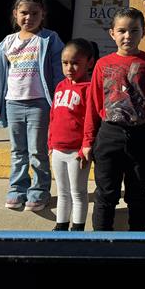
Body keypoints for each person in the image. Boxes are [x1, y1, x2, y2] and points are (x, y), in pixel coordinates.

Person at [81, 7, 145, 232]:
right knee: (106, 194)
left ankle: (137, 239)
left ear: (143, 33)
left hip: (142, 135)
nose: (127, 36)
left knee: (138, 193)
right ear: (112, 34)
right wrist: (88, 140)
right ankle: (100, 242)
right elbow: (93, 104)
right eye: (122, 31)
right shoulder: (102, 64)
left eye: (133, 30)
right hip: (109, 135)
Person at [0, 0, 64, 212]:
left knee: (37, 150)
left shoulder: (49, 39)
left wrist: (59, 99)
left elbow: (59, 71)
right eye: (24, 13)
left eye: (34, 13)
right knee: (18, 151)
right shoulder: (6, 43)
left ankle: (39, 191)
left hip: (39, 104)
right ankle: (17, 190)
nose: (29, 18)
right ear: (15, 14)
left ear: (43, 14)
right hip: (13, 103)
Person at [49, 38, 96, 231]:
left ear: (89, 62)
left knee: (78, 192)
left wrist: (86, 145)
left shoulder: (89, 88)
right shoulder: (60, 86)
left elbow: (90, 121)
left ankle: (78, 228)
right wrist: (50, 144)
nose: (69, 67)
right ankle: (60, 225)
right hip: (58, 149)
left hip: (77, 152)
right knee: (62, 191)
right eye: (65, 63)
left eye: (75, 62)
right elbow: (53, 116)